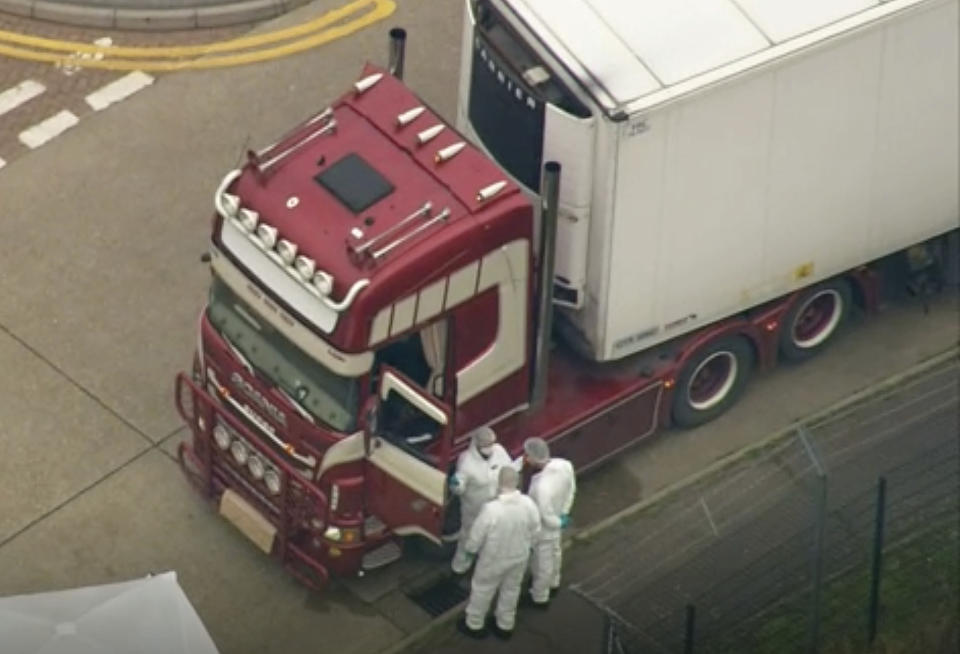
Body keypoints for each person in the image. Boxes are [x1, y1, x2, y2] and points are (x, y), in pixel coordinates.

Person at [457, 466, 541, 640]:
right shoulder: (528, 504)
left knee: (483, 590)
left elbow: (476, 536)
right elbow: (536, 530)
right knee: (511, 590)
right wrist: (529, 547)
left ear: (499, 483)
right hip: (519, 557)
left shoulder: (491, 510)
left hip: (492, 560)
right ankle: (505, 625)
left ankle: (474, 624)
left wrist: (470, 552)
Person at [449, 426, 512, 574]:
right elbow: (459, 487)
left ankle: (483, 567)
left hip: (497, 507)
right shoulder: (466, 460)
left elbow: (509, 470)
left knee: (492, 539)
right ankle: (459, 568)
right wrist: (456, 485)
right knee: (468, 539)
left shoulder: (500, 452)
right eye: (485, 445)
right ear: (476, 444)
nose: (489, 448)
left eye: (491, 444)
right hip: (474, 511)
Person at [522, 437, 576, 608]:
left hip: (544, 530)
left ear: (533, 457)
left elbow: (545, 514)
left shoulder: (541, 487)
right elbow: (571, 489)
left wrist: (557, 523)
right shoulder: (564, 465)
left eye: (527, 455)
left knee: (542, 564)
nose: (525, 458)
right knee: (556, 553)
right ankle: (554, 582)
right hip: (558, 519)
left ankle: (539, 597)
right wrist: (564, 514)